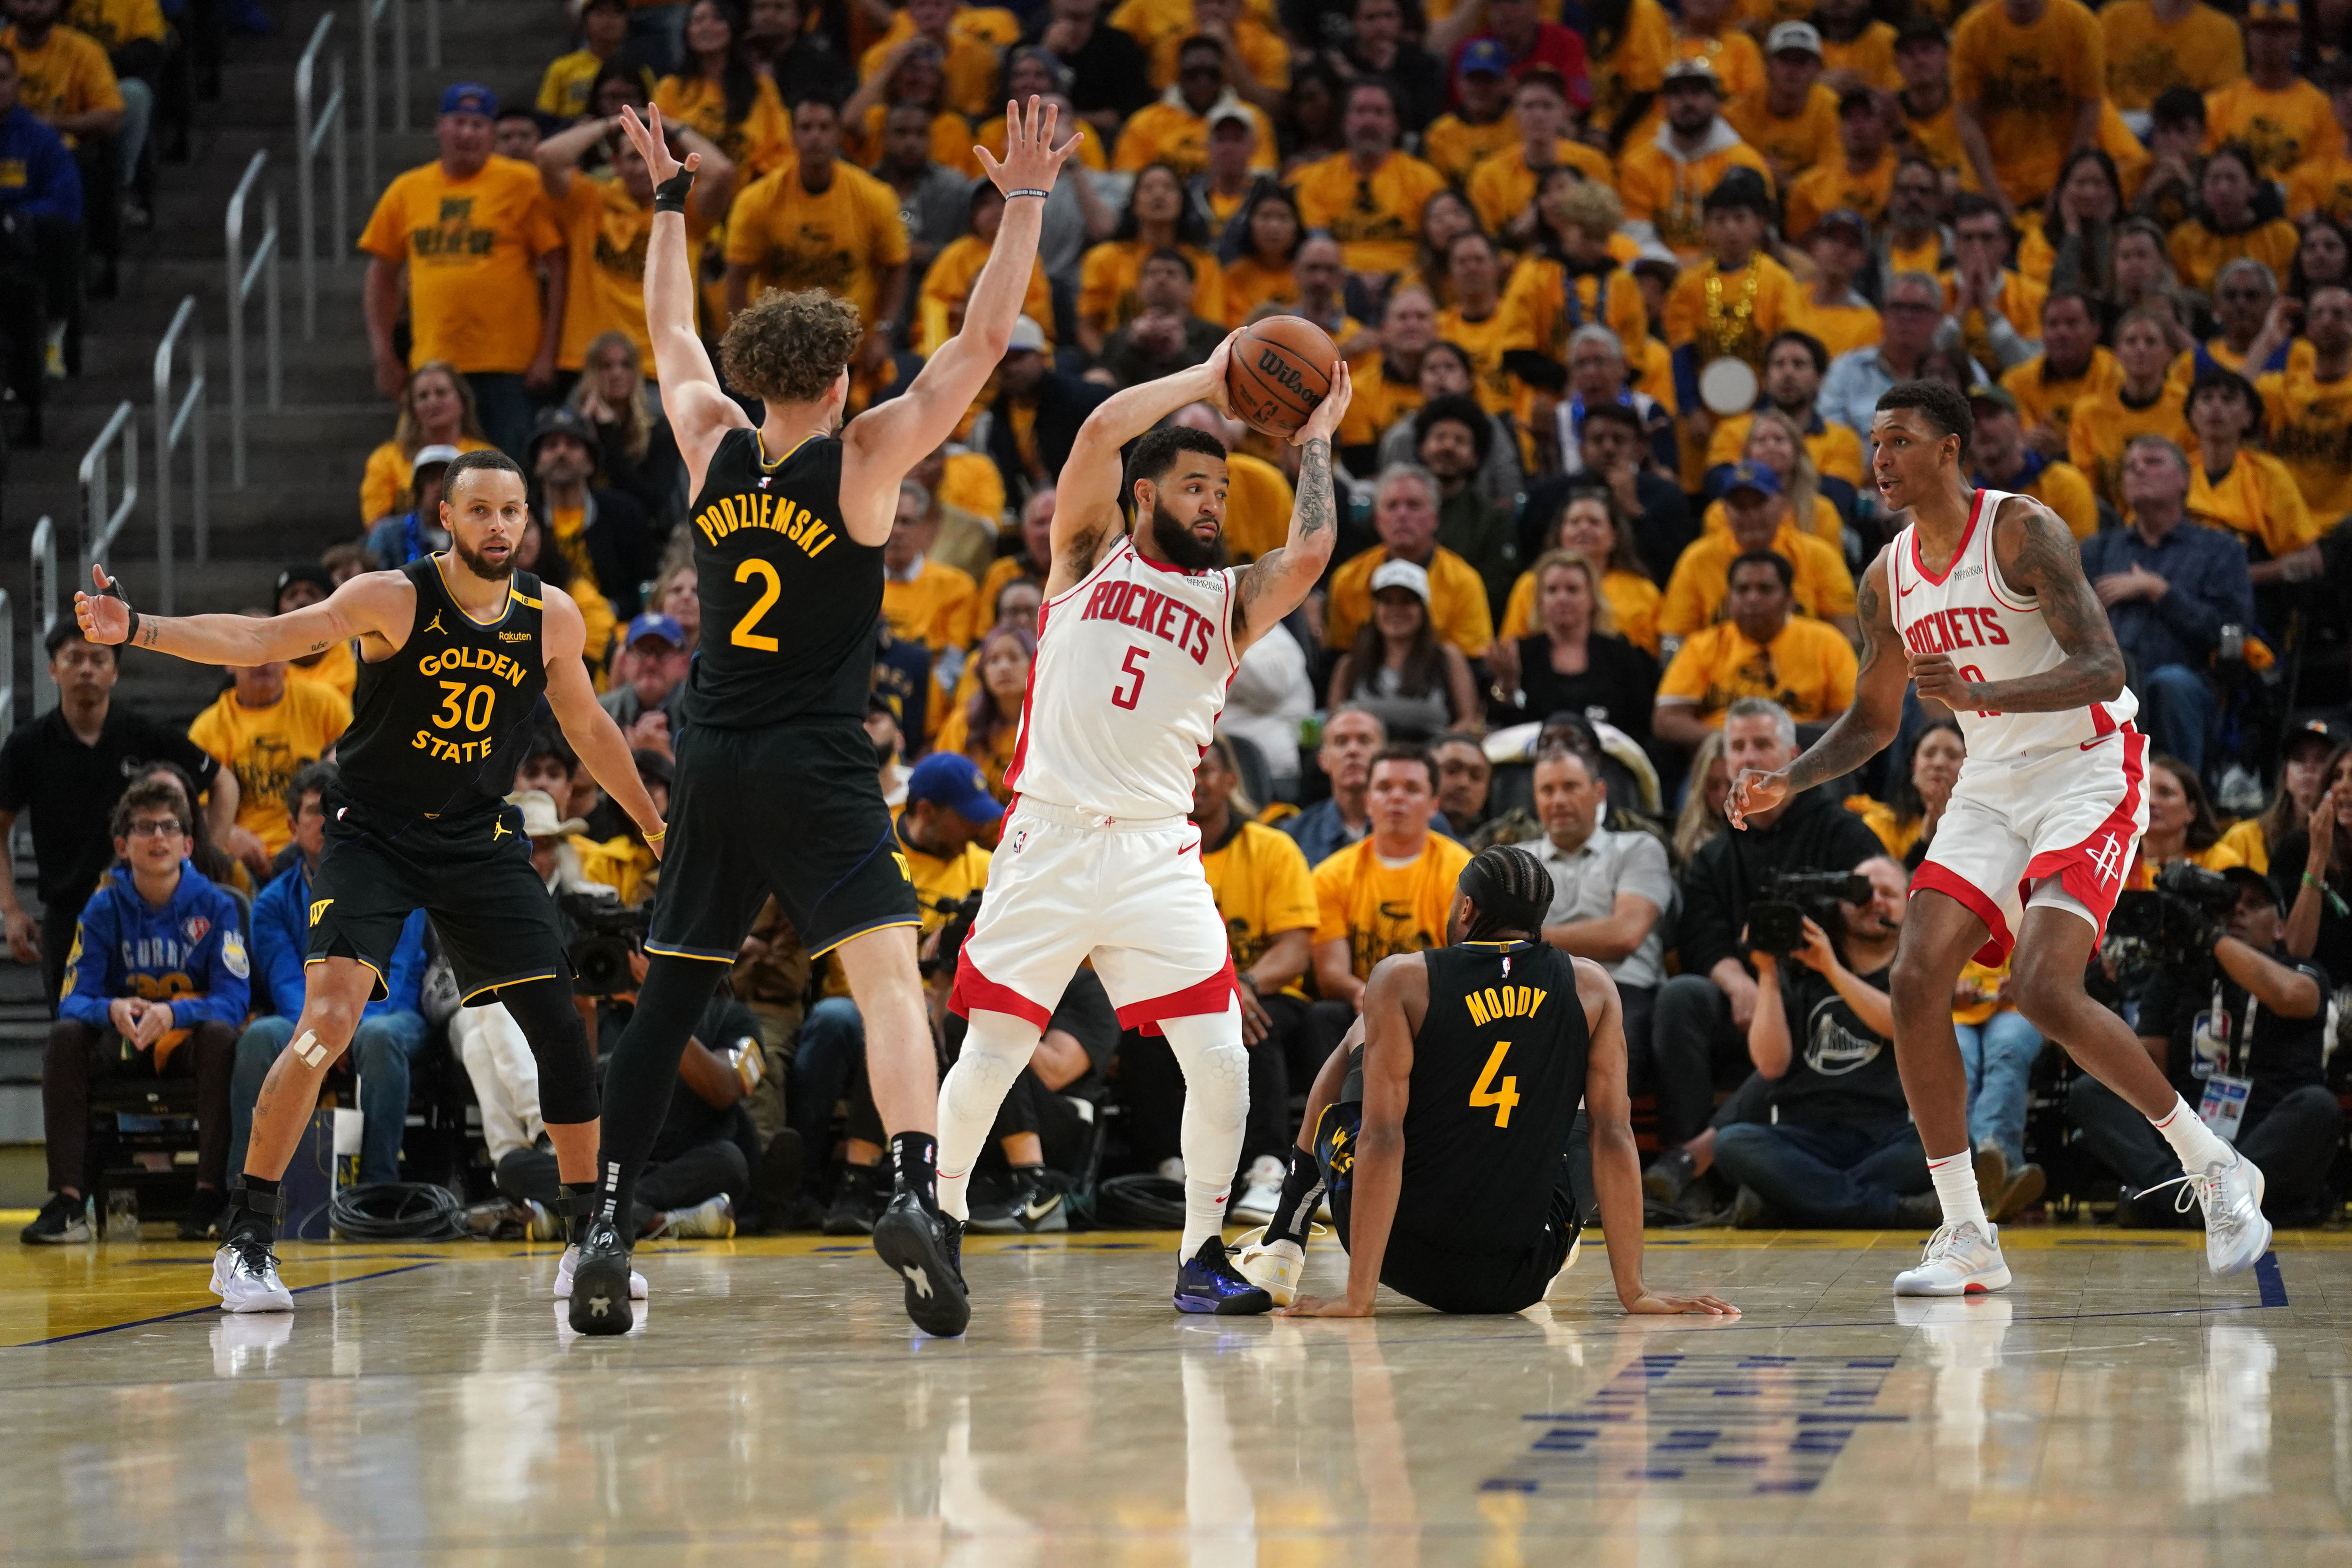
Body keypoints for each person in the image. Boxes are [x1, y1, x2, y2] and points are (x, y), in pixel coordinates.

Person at [569, 99, 1079, 1338]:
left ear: (753, 379)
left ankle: (603, 1219)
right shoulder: (863, 458)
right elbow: (984, 336)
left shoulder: (707, 440)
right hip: (817, 756)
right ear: (845, 376)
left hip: (711, 753)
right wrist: (1021, 201)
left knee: (672, 993)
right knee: (892, 978)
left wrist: (675, 198)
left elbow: (668, 325)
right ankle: (912, 1184)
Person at [73, 446, 667, 1314]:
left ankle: (588, 1241)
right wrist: (143, 630)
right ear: (446, 519)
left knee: (559, 1028)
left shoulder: (552, 617)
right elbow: (263, 638)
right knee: (326, 1024)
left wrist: (655, 826)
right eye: (480, 511)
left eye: (512, 512)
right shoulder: (393, 597)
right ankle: (246, 1241)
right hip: (373, 835)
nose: (498, 526)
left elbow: (587, 728)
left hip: (476, 836)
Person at [1728, 378, 2272, 1296]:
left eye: (1900, 439)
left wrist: (1984, 695)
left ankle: (2213, 1163)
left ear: (1949, 448)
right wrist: (1793, 773)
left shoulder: (2020, 530)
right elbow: (1871, 718)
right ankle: (1968, 1230)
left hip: (2088, 765)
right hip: (1988, 783)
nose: (1881, 458)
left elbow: (2105, 666)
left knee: (2042, 987)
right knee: (1912, 977)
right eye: (1873, 442)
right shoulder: (1885, 576)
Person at [931, 311, 1350, 1314]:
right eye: (1197, 486)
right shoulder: (1085, 557)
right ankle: (938, 1227)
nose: (1214, 503)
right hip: (1052, 831)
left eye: (1223, 488)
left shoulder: (1228, 601)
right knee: (993, 1046)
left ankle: (1201, 1255)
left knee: (1220, 1058)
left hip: (1159, 852)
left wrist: (1317, 439)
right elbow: (1094, 435)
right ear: (1149, 495)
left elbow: (1308, 553)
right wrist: (1207, 375)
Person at [1238, 844, 1739, 1319]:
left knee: (1360, 1036)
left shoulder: (1403, 979)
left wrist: (1357, 1297)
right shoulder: (1592, 986)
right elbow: (1614, 1138)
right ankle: (1557, 1237)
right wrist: (1636, 1292)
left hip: (1401, 1257)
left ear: (1466, 908)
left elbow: (1383, 1136)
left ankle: (1284, 1239)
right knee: (1599, 1124)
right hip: (1521, 1275)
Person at [1645, 698, 1883, 1206]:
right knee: (1681, 998)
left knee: (1803, 1010)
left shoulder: (1842, 832)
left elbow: (1878, 912)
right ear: (1724, 761)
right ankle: (1697, 1175)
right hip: (1747, 998)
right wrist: (1741, 982)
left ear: (1793, 755)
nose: (1748, 755)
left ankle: (1693, 1160)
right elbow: (1701, 938)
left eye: (1762, 744)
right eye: (1737, 746)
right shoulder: (1712, 855)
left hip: (1826, 997)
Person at [20, 780, 247, 1244]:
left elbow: (235, 998)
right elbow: (73, 997)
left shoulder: (218, 906)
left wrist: (175, 1016)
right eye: (145, 828)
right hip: (124, 1040)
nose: (158, 837)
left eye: (169, 827)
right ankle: (68, 1203)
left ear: (187, 844)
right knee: (66, 1035)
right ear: (123, 846)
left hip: (184, 1044)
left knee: (223, 1036)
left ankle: (209, 1194)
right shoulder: (103, 906)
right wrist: (113, 1008)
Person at [2070, 867, 2341, 1223]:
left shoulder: (2301, 968)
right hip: (2191, 1137)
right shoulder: (2180, 972)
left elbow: (2292, 997)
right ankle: (2196, 1200)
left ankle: (2176, 1202)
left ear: (2280, 926)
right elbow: (2148, 1068)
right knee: (2092, 1091)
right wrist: (2097, 996)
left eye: (2255, 904)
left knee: (2319, 1107)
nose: (2238, 911)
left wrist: (2211, 937)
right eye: (2228, 904)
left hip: (2266, 1136)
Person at [1127, 737, 1319, 1222]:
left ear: (1231, 781)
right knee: (1140, 1032)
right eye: (1185, 770)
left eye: (1207, 770)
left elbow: (1295, 950)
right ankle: (1171, 1171)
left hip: (1266, 991)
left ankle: (1268, 1169)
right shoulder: (1153, 853)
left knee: (1249, 1022)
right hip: (1181, 992)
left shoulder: (1272, 847)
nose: (1195, 781)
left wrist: (1243, 983)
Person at [0, 624, 233, 1009]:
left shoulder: (144, 734)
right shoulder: (27, 745)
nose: (87, 669)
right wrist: (10, 908)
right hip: (68, 912)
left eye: (98, 659)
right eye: (74, 658)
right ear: (53, 670)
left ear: (115, 672)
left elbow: (224, 781)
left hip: (145, 910)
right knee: (72, 1032)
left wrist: (208, 855)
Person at [227, 762, 429, 1190]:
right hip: (306, 1016)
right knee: (261, 1036)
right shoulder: (270, 904)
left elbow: (397, 971)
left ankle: (378, 1190)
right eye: (316, 810)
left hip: (389, 1016)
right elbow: (285, 984)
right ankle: (244, 1190)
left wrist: (338, 1029)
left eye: (341, 808)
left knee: (378, 1037)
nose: (330, 820)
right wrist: (326, 1030)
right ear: (291, 825)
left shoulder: (399, 890)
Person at [1712, 855, 1941, 1227]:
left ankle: (1791, 1201)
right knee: (1732, 1143)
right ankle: (1891, 1210)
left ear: (1908, 905)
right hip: (1803, 1134)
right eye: (1863, 891)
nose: (1875, 900)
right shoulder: (1802, 973)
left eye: (1888, 893)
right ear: (1840, 902)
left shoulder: (1913, 971)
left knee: (1959, 1145)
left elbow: (1903, 1026)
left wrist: (1832, 968)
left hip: (1883, 1133)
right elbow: (1771, 1065)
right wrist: (1767, 973)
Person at [359, 84, 567, 460]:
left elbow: (556, 267)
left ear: (491, 134)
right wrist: (383, 354)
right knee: (433, 477)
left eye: (478, 125)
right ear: (440, 127)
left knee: (511, 474)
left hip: (509, 365)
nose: (467, 133)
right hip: (434, 366)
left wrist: (547, 352)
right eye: (459, 123)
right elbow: (381, 276)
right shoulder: (407, 190)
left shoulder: (522, 183)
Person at [2077, 435, 2254, 777]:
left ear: (2185, 479)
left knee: (2170, 683)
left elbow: (2230, 632)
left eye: (2153, 461)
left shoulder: (2220, 550)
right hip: (2108, 682)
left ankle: (2183, 797)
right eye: (2130, 466)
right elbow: (2064, 627)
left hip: (2191, 684)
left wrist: (2159, 592)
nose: (2138, 469)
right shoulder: (2096, 551)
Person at [536, 108, 736, 400]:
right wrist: (611, 123)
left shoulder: (684, 207)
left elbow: (722, 173)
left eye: (653, 155)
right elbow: (547, 156)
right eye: (633, 157)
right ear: (615, 163)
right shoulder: (589, 202)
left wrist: (670, 124)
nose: (644, 166)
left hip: (663, 372)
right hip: (591, 366)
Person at [721, 95, 908, 392]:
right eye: (806, 128)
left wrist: (883, 331)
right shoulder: (756, 201)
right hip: (780, 348)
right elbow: (737, 275)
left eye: (824, 127)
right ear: (792, 135)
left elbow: (896, 267)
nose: (815, 137)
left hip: (850, 347)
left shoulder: (876, 197)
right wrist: (744, 340)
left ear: (838, 134)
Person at [1528, 744, 1672, 1060]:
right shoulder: (1516, 860)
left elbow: (1625, 935)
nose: (1559, 800)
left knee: (1606, 1041)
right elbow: (1487, 941)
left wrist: (1529, 938)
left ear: (1599, 791)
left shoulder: (1639, 847)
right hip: (1535, 993)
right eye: (1547, 790)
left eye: (1571, 786)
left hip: (1622, 988)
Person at [185, 613, 352, 875]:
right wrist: (230, 834)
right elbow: (197, 811)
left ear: (289, 656)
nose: (264, 659)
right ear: (227, 660)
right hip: (245, 864)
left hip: (321, 848)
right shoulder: (208, 728)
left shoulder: (326, 706)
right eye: (251, 648)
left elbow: (360, 770)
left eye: (274, 647)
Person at [1653, 549, 1860, 749]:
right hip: (1723, 759)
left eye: (1765, 589)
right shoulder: (1701, 645)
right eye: (1742, 590)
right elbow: (1667, 719)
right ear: (1728, 601)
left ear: (1790, 600)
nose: (1752, 599)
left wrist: (1784, 743)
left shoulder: (1827, 642)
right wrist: (1736, 743)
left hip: (1805, 758)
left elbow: (1854, 715)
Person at [1661, 462, 1857, 641]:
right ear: (1725, 511)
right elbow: (1675, 639)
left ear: (1782, 506)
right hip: (1721, 674)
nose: (1751, 515)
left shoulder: (1818, 555)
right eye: (1740, 506)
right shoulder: (1698, 559)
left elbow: (1847, 636)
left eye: (1759, 503)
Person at [1949, 0, 2104, 221]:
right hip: (1987, 181)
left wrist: (2066, 183)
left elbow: (2090, 106)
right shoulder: (1973, 29)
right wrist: (1994, 193)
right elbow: (1967, 115)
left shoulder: (2079, 24)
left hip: (2055, 177)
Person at [1322, 464, 1497, 660]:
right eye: (1392, 506)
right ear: (1378, 519)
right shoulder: (1347, 580)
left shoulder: (1464, 582)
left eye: (1414, 506)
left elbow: (1474, 662)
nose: (1402, 515)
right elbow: (1339, 657)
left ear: (1436, 518)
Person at [1616, 57, 1773, 264]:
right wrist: (1673, 267)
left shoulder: (1746, 163)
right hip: (1661, 274)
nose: (1688, 102)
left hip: (1731, 269)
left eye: (1697, 93)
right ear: (1663, 104)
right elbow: (1636, 237)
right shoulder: (1639, 163)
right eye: (1677, 94)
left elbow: (1759, 237)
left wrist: (1703, 269)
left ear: (1717, 101)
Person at [1289, 78, 1448, 283]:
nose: (1369, 122)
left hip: (1407, 286)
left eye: (1380, 113)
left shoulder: (1425, 179)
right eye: (1360, 112)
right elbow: (1318, 246)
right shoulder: (1314, 179)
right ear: (1345, 122)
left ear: (1395, 124)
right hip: (1337, 284)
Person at [1500, 552, 1660, 744]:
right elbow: (1504, 729)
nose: (1562, 598)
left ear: (1592, 599)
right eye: (1552, 591)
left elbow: (1640, 727)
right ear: (1540, 601)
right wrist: (1507, 685)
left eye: (1573, 590)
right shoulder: (1520, 654)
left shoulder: (1621, 655)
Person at [2182, 369, 2318, 587]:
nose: (2216, 407)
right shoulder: (2176, 470)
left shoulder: (2269, 473)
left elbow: (2311, 560)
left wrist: (2240, 577)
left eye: (2229, 400)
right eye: (2207, 399)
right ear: (2192, 415)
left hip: (2249, 595)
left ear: (2249, 417)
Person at [1327, 560, 1479, 741]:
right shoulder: (1350, 665)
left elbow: (1469, 720)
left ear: (1423, 609)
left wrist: (1435, 752)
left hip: (1431, 760)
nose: (1396, 611)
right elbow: (1334, 725)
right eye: (1387, 602)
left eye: (1407, 602)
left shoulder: (1447, 658)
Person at [1819, 271, 1973, 440]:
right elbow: (1829, 434)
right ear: (1882, 315)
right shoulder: (1847, 369)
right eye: (1897, 307)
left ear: (1939, 318)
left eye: (1918, 309)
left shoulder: (1962, 368)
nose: (1905, 317)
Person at [2069, 308, 2195, 512]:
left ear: (2170, 354)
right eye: (2131, 341)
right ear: (2117, 353)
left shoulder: (2188, 407)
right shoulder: (2089, 413)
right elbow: (2086, 488)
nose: (2141, 349)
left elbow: (2192, 481)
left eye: (2151, 342)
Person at [2203, 0, 2339, 180]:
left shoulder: (2322, 108)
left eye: (2280, 31)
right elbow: (2206, 168)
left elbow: (2324, 175)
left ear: (2297, 37)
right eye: (2261, 30)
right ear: (2248, 36)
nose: (2269, 40)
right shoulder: (2217, 104)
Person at [983, 315, 1112, 505]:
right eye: (1002, 361)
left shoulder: (1085, 400)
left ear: (1042, 357)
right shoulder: (995, 415)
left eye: (1018, 358)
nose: (1010, 368)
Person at [653, 0, 789, 177]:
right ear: (687, 32)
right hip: (691, 192)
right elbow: (658, 148)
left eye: (717, 19)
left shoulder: (761, 88)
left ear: (732, 28)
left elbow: (781, 147)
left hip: (752, 190)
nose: (707, 27)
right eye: (698, 21)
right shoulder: (670, 88)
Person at [357, 362, 495, 529]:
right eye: (423, 396)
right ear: (412, 409)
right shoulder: (385, 459)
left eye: (441, 393)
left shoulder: (487, 457)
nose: (433, 402)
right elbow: (377, 526)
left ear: (463, 401)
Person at [569, 332, 687, 525]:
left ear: (636, 373)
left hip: (639, 530)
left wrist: (607, 433)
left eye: (626, 365)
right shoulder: (573, 427)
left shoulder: (659, 431)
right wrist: (583, 431)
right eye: (606, 366)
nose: (617, 374)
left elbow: (652, 500)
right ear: (592, 373)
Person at [2259, 284, 2352, 526]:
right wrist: (2267, 342)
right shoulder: (2283, 387)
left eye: (2339, 314)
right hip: (2286, 525)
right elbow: (2230, 395)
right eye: (2318, 314)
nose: (2327, 322)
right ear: (2308, 326)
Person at [1966, 383, 2100, 539]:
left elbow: (2082, 557)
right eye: (1972, 419)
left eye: (1992, 415)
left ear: (2017, 422)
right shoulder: (1961, 496)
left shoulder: (2065, 484)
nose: (1982, 426)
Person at [1724, 21, 1839, 189]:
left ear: (1818, 69)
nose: (1792, 70)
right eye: (1785, 60)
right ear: (1767, 65)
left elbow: (1832, 177)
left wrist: (1786, 182)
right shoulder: (1740, 111)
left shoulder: (1831, 109)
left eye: (1802, 62)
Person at [2220, 718, 2344, 872]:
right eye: (2299, 758)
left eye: (2322, 760)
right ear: (2285, 776)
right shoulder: (2243, 838)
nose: (2309, 767)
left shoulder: (2345, 846)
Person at [1098, 248, 1225, 386]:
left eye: (1171, 273)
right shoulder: (1120, 337)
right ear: (1140, 287)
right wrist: (1133, 345)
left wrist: (1180, 351)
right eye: (1153, 273)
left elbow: (1215, 383)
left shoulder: (1214, 336)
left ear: (1191, 288)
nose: (1161, 279)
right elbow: (1105, 378)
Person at [1854, 717, 1965, 860]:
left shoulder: (1985, 826)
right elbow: (1889, 880)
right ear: (1914, 766)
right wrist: (1926, 840)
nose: (1939, 763)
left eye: (1953, 756)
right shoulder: (1882, 825)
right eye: (1929, 754)